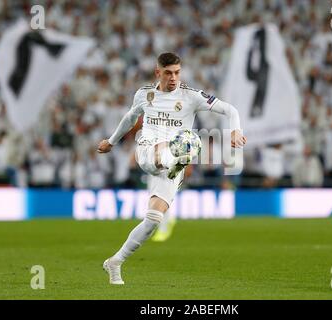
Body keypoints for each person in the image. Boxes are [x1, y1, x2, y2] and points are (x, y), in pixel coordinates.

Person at [97, 52, 247, 285]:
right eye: (168, 73)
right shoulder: (145, 94)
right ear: (158, 73)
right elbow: (129, 118)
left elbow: (231, 110)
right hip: (148, 151)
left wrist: (235, 130)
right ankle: (177, 156)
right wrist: (111, 141)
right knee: (183, 144)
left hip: (169, 167)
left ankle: (115, 262)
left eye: (177, 72)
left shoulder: (191, 96)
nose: (174, 77)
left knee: (154, 219)